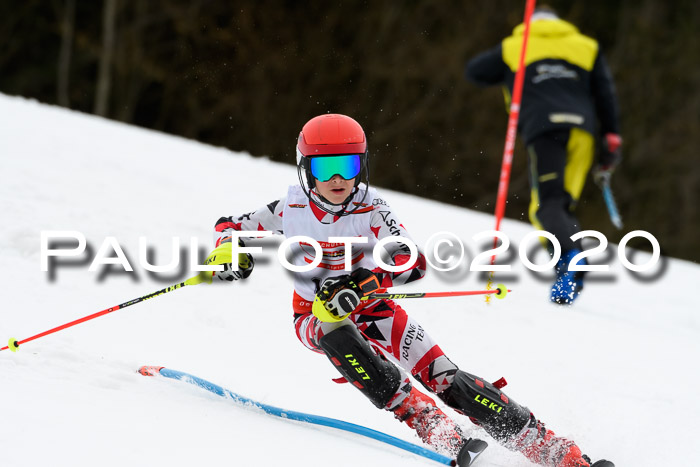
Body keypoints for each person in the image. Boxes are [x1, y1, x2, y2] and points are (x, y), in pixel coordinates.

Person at [204, 114, 613, 467]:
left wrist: (366, 282)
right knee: (336, 332)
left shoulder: (371, 209)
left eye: (347, 167)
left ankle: (554, 450)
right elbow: (230, 226)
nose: (336, 180)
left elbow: (411, 260)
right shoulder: (288, 209)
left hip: (375, 307)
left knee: (449, 380)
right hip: (311, 315)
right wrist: (230, 252)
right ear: (304, 168)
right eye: (324, 168)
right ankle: (429, 423)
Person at [465, 6, 622, 305]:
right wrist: (611, 135)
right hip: (582, 131)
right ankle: (569, 271)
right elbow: (606, 94)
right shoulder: (585, 46)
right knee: (562, 203)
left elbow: (475, 71)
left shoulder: (517, 45)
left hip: (544, 127)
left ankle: (567, 260)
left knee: (546, 205)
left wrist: (509, 71)